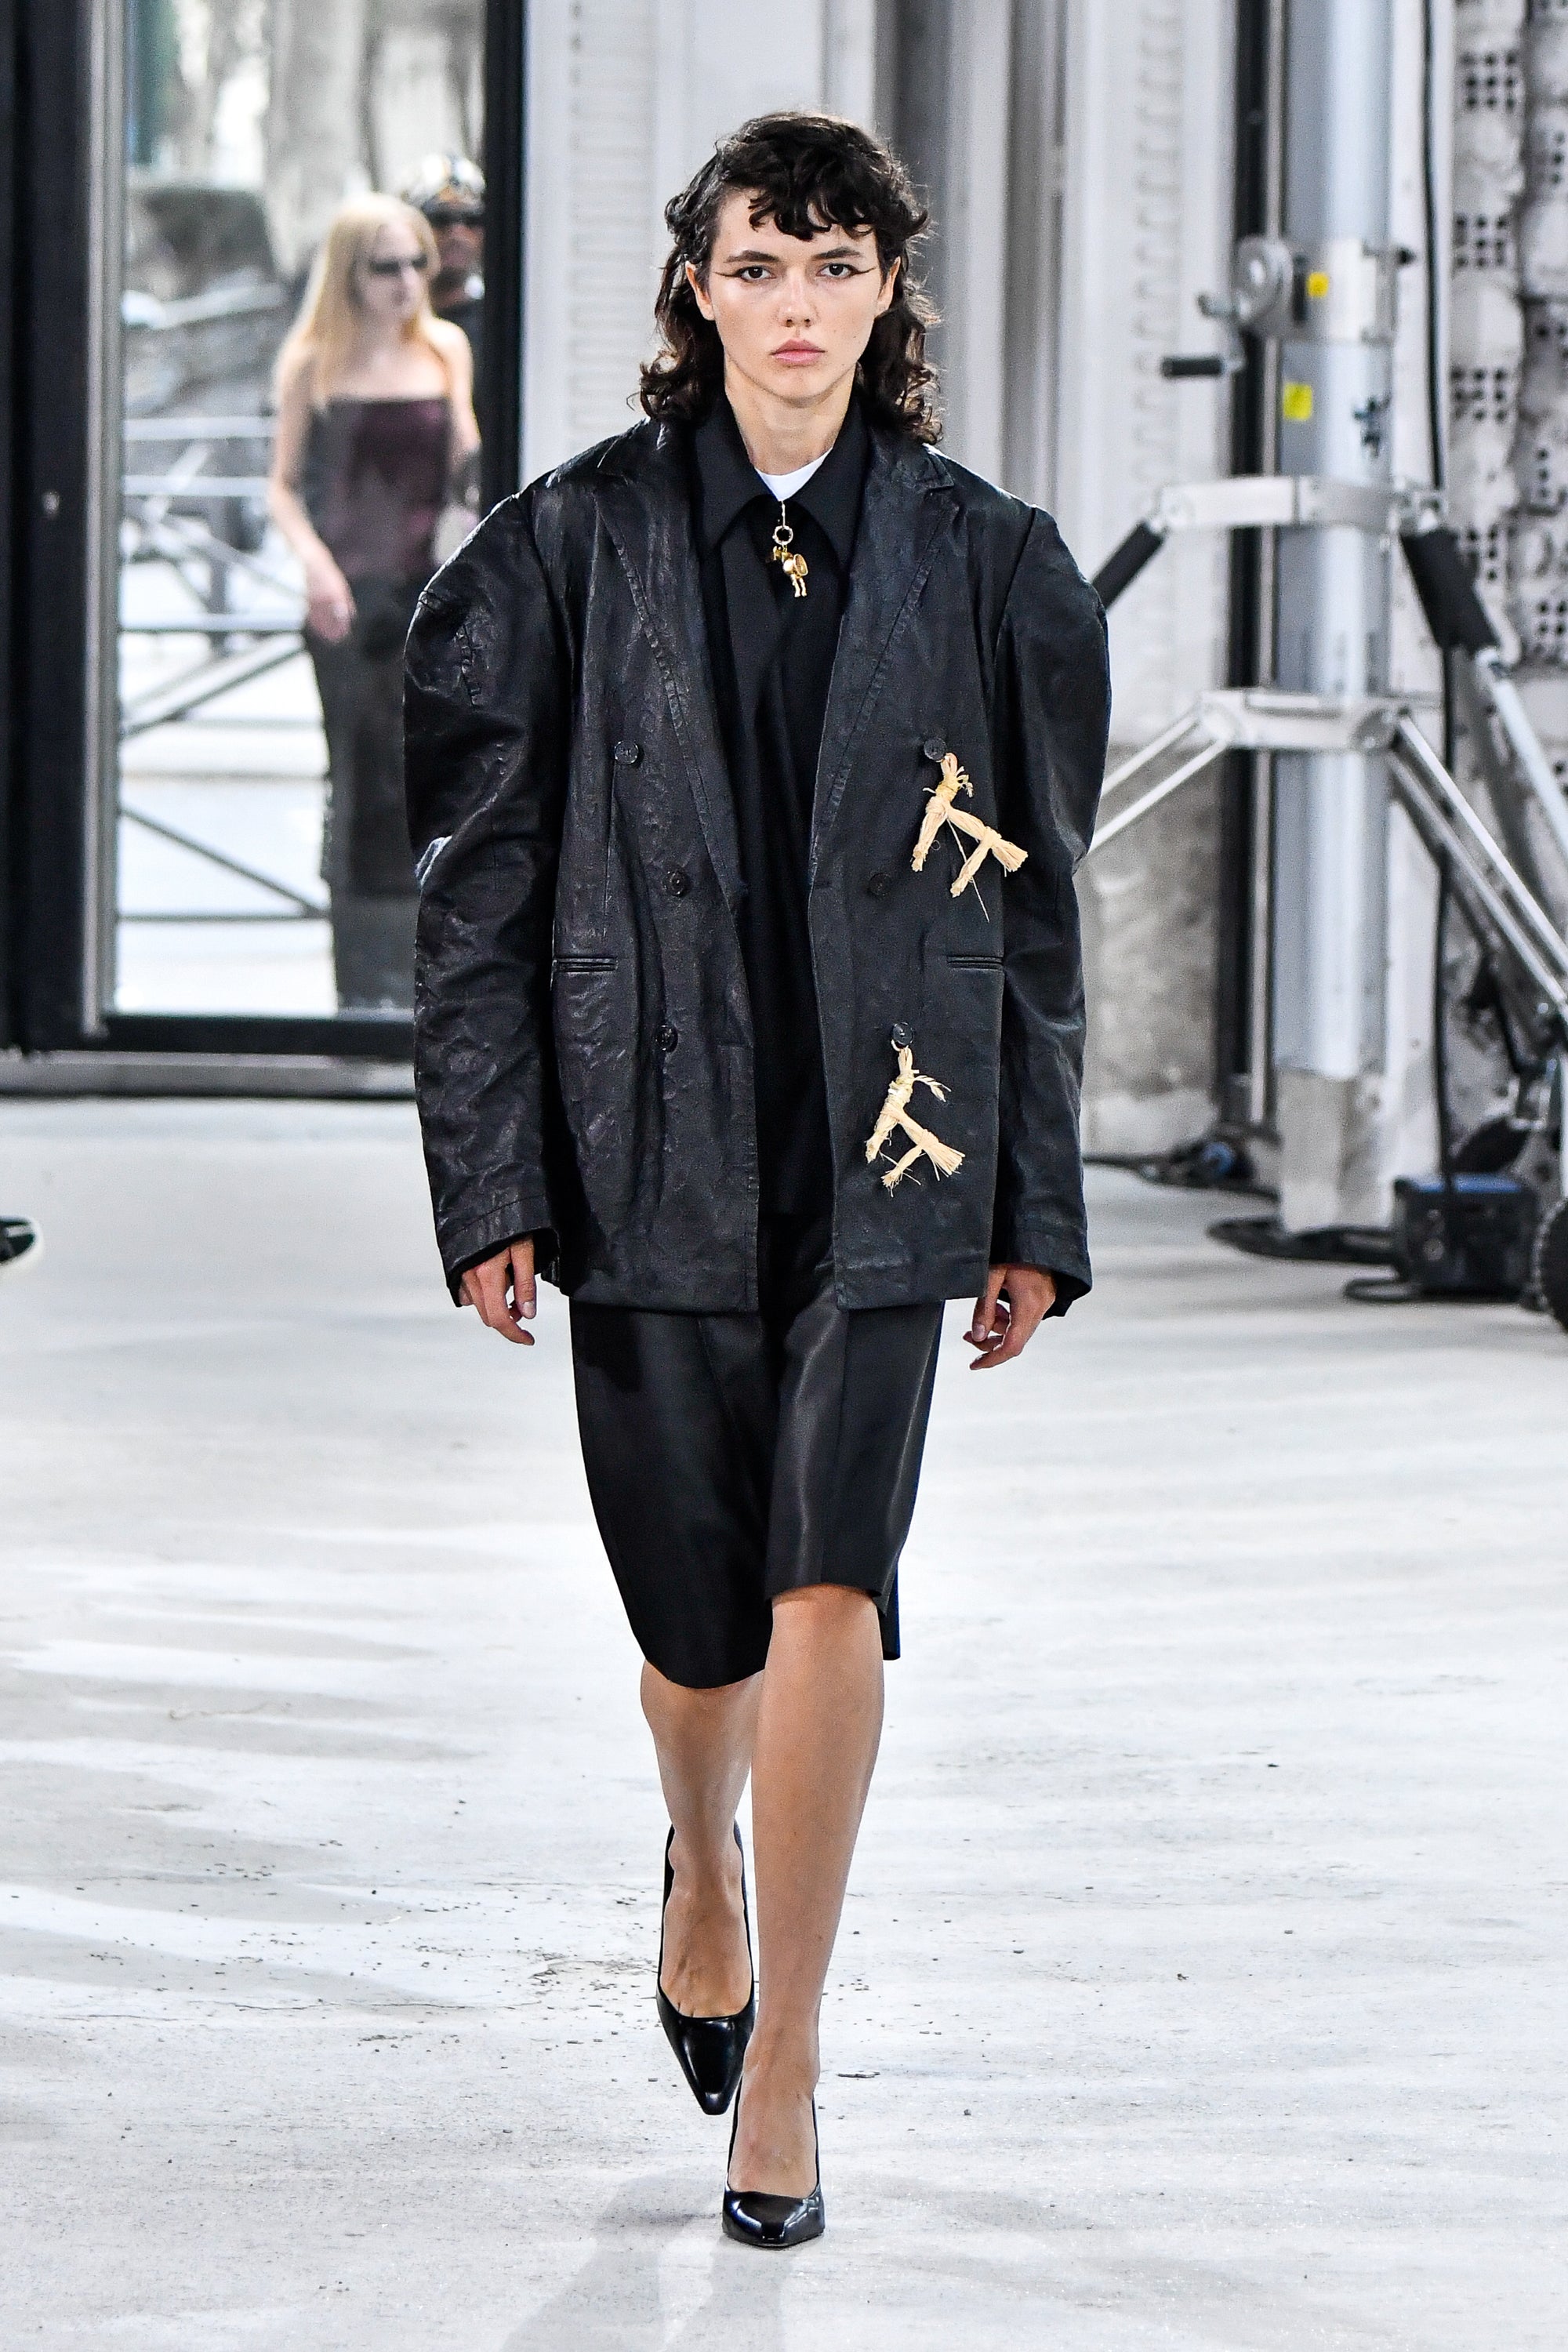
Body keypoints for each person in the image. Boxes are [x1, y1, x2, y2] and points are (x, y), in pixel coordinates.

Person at [405, 112, 1109, 2249]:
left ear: (887, 293)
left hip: (895, 1149)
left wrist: (1035, 1204)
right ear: (696, 292)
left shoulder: (991, 566)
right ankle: (698, 1854)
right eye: (758, 265)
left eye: (835, 266)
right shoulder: (560, 551)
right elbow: (477, 895)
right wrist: (488, 1172)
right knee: (697, 1626)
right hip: (646, 1146)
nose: (796, 306)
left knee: (832, 1587)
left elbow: (1039, 912)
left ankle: (786, 2058)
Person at [269, 194, 479, 1009]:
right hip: (348, 601)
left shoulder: (446, 348)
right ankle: (359, 984)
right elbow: (283, 486)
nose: (406, 281)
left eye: (416, 262)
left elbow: (465, 462)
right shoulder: (312, 362)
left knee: (428, 778)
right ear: (350, 275)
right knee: (357, 783)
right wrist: (318, 570)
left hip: (429, 593)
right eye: (386, 266)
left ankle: (423, 980)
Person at [401, 154, 486, 390]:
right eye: (440, 219)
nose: (458, 233)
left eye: (472, 220)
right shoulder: (388, 324)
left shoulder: (503, 322)